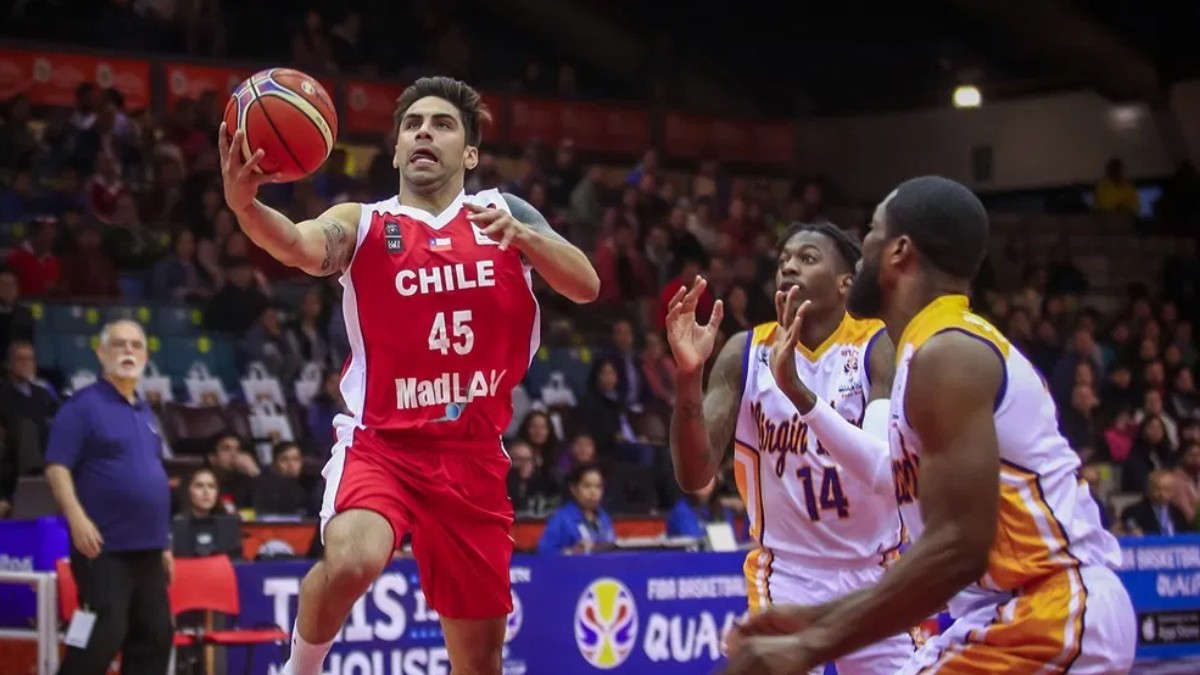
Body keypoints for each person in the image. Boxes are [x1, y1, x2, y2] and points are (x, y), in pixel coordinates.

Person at [220, 75, 599, 675]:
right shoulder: (366, 222)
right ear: (395, 150)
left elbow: (586, 285)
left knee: (479, 664)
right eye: (413, 124)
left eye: (443, 124)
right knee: (352, 561)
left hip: (473, 455)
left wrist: (527, 238)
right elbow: (297, 244)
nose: (425, 131)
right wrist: (246, 207)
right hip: (383, 445)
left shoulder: (505, 214)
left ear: (469, 154)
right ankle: (299, 668)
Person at [722, 176, 1135, 674]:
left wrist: (813, 643)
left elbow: (958, 549)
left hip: (1048, 611)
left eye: (871, 232)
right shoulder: (923, 353)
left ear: (899, 251)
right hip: (1013, 611)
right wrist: (814, 617)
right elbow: (881, 476)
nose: (861, 252)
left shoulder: (947, 355)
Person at [666, 221, 912, 674]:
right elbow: (694, 474)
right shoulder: (746, 351)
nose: (790, 267)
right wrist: (687, 376)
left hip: (875, 573)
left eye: (808, 258)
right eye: (784, 261)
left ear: (846, 283)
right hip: (789, 573)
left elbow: (882, 472)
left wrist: (798, 392)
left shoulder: (879, 347)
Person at [44, 320, 173, 675]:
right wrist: (77, 519)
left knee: (156, 634)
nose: (128, 352)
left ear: (146, 356)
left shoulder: (146, 412)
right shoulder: (81, 407)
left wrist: (164, 544)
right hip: (102, 544)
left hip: (148, 547)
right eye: (119, 345)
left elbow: (150, 478)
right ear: (101, 353)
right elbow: (57, 466)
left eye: (135, 345)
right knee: (105, 628)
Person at [536, 464, 615, 554]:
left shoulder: (604, 518)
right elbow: (544, 552)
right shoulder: (561, 519)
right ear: (573, 489)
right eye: (587, 486)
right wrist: (572, 551)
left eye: (598, 486)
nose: (593, 492)